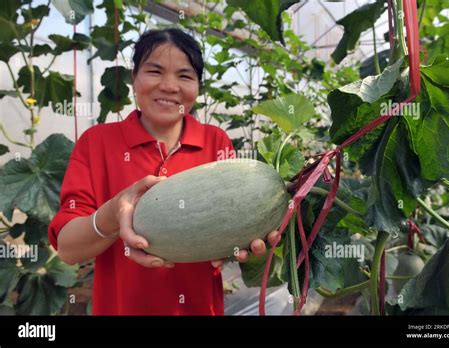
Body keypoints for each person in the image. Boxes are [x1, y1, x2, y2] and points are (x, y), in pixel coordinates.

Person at [48, 28, 279, 315]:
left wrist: (242, 245)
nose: (169, 86)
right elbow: (68, 250)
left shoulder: (215, 140)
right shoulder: (97, 143)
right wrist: (112, 216)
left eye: (184, 76)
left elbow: (229, 224)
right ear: (134, 78)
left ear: (198, 86)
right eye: (155, 71)